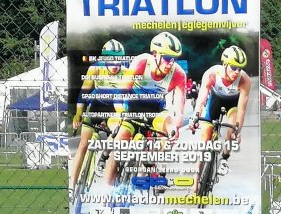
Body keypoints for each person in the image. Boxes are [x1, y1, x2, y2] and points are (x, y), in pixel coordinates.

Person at [103, 32, 187, 185]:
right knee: (118, 145)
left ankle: (158, 167)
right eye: (167, 58)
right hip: (132, 107)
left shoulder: (179, 74)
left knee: (169, 127)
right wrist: (121, 113)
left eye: (174, 59)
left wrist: (174, 129)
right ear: (155, 54)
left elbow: (179, 111)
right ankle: (105, 192)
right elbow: (121, 92)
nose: (170, 63)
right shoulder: (142, 62)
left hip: (156, 110)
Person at [70, 38, 127, 189]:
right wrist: (78, 113)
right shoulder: (95, 69)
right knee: (83, 144)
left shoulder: (126, 73)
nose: (115, 64)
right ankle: (72, 186)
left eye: (119, 60)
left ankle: (104, 158)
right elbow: (83, 93)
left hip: (114, 110)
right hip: (96, 106)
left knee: (117, 134)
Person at [191, 45, 252, 176]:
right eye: (234, 67)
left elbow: (241, 110)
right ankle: (195, 182)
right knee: (205, 137)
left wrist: (237, 130)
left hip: (233, 104)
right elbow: (202, 97)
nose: (237, 72)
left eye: (240, 68)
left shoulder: (244, 80)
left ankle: (224, 158)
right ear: (224, 64)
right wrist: (196, 115)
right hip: (215, 101)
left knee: (232, 128)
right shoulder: (212, 73)